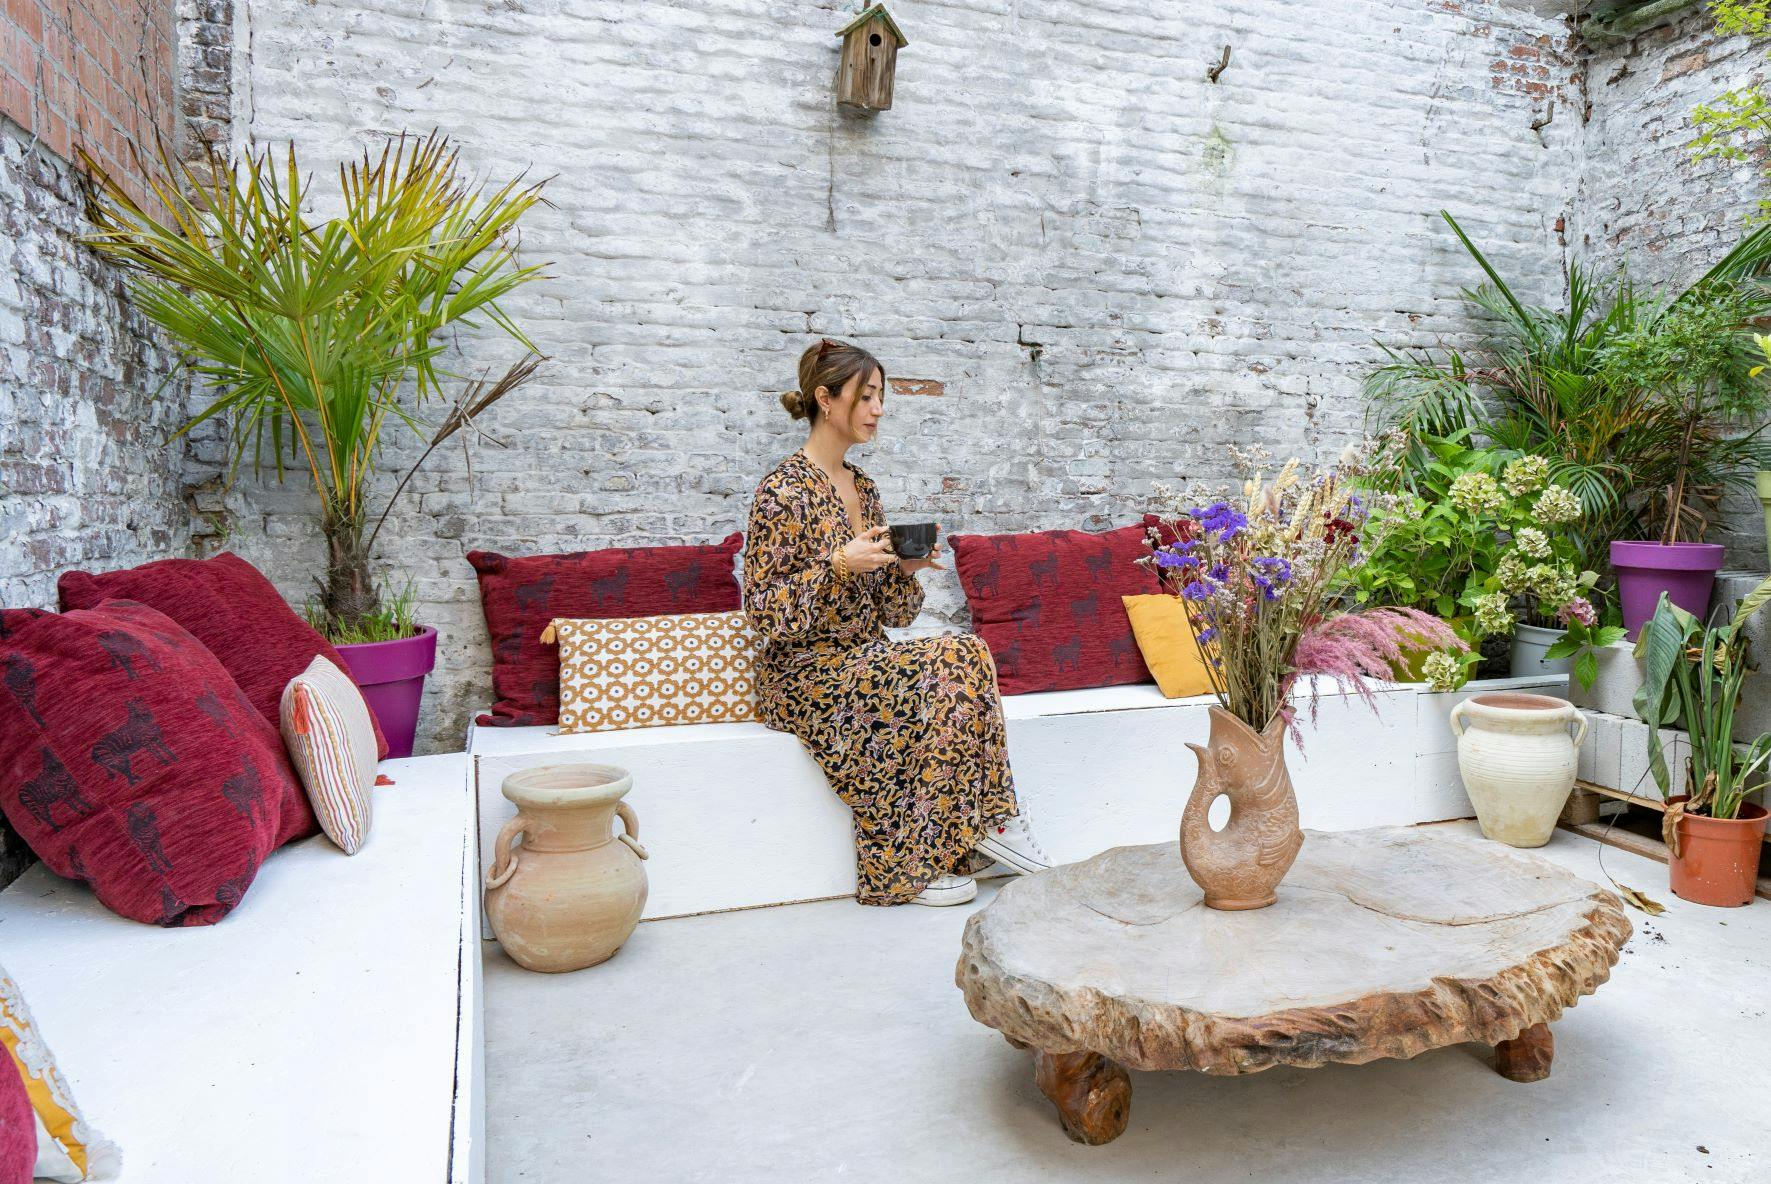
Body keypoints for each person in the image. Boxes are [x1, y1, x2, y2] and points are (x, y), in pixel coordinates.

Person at [743, 338, 1050, 907]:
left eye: (880, 396)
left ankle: (985, 826)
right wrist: (838, 565)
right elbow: (765, 613)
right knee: (952, 658)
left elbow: (894, 613)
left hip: (864, 653)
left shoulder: (863, 487)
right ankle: (941, 849)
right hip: (802, 674)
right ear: (826, 399)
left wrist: (903, 571)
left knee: (965, 650)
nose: (878, 409)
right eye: (866, 396)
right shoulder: (782, 492)